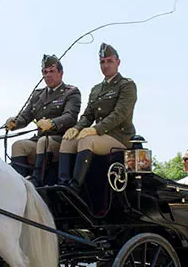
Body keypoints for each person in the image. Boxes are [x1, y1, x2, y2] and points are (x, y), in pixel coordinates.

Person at [58, 43, 137, 189]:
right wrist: (77, 128)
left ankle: (75, 187)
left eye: (109, 61)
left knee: (87, 141)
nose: (105, 65)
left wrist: (95, 129)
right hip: (99, 136)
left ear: (118, 62)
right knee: (67, 141)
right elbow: (88, 115)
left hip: (119, 137)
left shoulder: (126, 85)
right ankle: (63, 185)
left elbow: (120, 114)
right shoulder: (96, 89)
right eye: (102, 62)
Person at [4, 54, 82, 185]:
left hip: (61, 141)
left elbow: (70, 116)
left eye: (52, 71)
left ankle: (37, 181)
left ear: (61, 73)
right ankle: (18, 183)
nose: (48, 75)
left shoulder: (71, 92)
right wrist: (14, 122)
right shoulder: (37, 95)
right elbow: (26, 116)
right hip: (40, 140)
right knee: (18, 146)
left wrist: (52, 123)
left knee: (43, 142)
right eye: (45, 72)